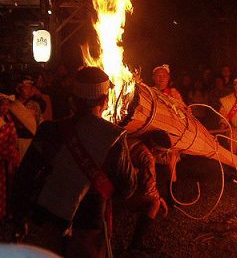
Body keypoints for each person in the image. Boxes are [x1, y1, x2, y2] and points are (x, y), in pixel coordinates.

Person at [11, 66, 137, 257]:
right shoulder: (113, 137)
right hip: (88, 226)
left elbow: (24, 176)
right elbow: (127, 188)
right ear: (104, 100)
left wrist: (19, 216)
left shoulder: (49, 130)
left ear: (73, 100)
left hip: (47, 221)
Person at [152, 64, 184, 206]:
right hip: (152, 135)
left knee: (171, 167)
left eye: (163, 76)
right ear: (153, 78)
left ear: (168, 78)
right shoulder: (149, 92)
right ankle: (151, 198)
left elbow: (183, 111)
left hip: (170, 136)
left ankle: (172, 198)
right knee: (149, 166)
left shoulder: (174, 94)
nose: (161, 78)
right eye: (158, 76)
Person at [9, 76, 43, 161]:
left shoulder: (35, 105)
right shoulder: (11, 105)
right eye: (26, 87)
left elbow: (40, 123)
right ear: (18, 89)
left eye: (30, 88)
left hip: (31, 142)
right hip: (15, 142)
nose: (29, 90)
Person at [0, 93, 19, 222]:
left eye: (7, 104)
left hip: (9, 159)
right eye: (3, 104)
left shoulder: (8, 118)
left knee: (10, 187)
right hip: (1, 160)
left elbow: (13, 139)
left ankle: (8, 212)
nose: (5, 107)